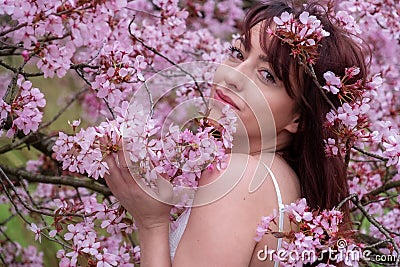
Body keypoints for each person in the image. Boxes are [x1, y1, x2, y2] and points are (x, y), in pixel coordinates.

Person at [104, 0, 368, 266]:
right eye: (238, 54)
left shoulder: (240, 178)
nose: (234, 76)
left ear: (299, 118)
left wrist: (152, 224)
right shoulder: (283, 180)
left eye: (267, 75)